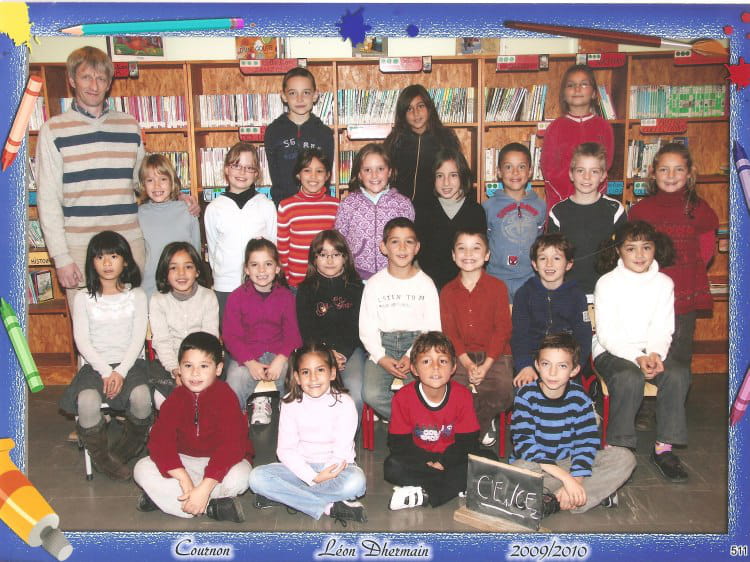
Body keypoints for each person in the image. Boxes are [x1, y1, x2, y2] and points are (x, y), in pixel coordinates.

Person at [36, 47, 146, 296]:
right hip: (79, 251)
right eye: (86, 77)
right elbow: (48, 200)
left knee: (134, 318)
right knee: (86, 322)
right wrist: (61, 257)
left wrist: (178, 197)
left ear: (109, 83)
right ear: (72, 80)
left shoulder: (130, 126)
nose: (94, 86)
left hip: (128, 246)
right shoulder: (53, 131)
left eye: (101, 78)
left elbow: (144, 182)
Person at [593, 221, 692, 483]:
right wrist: (637, 357)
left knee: (678, 374)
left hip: (651, 350)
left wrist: (656, 354)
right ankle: (619, 447)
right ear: (618, 251)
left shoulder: (664, 283)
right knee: (629, 377)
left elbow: (663, 326)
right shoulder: (607, 283)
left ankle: (664, 448)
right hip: (612, 350)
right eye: (631, 248)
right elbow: (608, 333)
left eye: (646, 247)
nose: (639, 255)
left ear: (655, 249)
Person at [59, 231, 152, 481]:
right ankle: (103, 460)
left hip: (130, 364)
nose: (107, 263)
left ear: (125, 261)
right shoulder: (83, 298)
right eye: (100, 257)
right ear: (92, 262)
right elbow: (82, 341)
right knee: (87, 400)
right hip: (95, 365)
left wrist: (120, 372)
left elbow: (137, 339)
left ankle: (119, 454)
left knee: (142, 397)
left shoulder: (137, 295)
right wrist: (106, 371)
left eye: (114, 256)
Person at [510, 333, 636, 515]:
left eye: (562, 366)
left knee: (625, 458)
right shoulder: (525, 395)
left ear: (575, 370)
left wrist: (575, 480)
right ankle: (584, 494)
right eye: (546, 364)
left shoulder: (580, 398)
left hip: (569, 462)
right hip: (538, 465)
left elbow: (586, 444)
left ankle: (554, 499)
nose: (553, 372)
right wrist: (567, 480)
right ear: (537, 365)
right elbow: (525, 446)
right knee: (518, 470)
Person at [133, 332, 252, 522]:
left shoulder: (226, 397)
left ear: (218, 369)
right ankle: (211, 507)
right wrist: (183, 478)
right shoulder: (175, 398)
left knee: (242, 476)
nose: (195, 373)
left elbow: (232, 446)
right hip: (184, 463)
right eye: (188, 366)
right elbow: (160, 441)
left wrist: (205, 486)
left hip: (218, 466)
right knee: (141, 469)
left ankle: (171, 500)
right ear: (179, 368)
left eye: (204, 366)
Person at [248, 342, 367, 524]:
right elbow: (286, 450)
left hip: (335, 470)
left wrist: (323, 476)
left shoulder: (345, 404)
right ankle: (327, 506)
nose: (313, 378)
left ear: (332, 373)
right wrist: (312, 477)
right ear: (297, 377)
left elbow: (342, 452)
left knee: (356, 482)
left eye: (320, 370)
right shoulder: (289, 403)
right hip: (300, 469)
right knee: (256, 478)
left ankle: (285, 496)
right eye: (305, 372)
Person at [629, 142, 719, 368]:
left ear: (689, 173)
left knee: (679, 352)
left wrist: (686, 268)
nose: (671, 176)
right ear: (653, 173)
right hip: (649, 293)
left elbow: (707, 250)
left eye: (678, 169)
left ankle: (678, 389)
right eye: (664, 169)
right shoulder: (640, 210)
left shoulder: (698, 209)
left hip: (684, 291)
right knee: (648, 350)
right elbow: (632, 251)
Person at [384, 331, 479, 510]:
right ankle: (457, 485)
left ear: (453, 367)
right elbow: (399, 443)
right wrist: (426, 462)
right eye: (426, 361)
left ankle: (424, 494)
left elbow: (468, 441)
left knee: (486, 460)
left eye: (442, 361)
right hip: (420, 458)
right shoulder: (402, 398)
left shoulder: (463, 396)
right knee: (392, 466)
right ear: (414, 369)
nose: (435, 367)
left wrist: (443, 462)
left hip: (451, 457)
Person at [359, 217, 441, 420]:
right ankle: (410, 423)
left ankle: (413, 424)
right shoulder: (374, 284)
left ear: (417, 247)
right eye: (395, 241)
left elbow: (433, 328)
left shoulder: (426, 284)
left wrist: (411, 354)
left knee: (421, 393)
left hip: (418, 344)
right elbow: (367, 327)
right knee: (371, 394)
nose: (402, 248)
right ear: (383, 247)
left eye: (409, 242)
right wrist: (381, 357)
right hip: (382, 344)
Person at [440, 228, 513, 447]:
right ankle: (471, 429)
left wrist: (486, 365)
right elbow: (450, 333)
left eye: (476, 248)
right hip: (460, 354)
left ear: (487, 255)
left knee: (503, 389)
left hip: (495, 353)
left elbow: (502, 330)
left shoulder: (498, 287)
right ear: (453, 255)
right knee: (451, 388)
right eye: (462, 249)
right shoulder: (447, 291)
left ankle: (478, 426)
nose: (468, 254)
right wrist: (468, 363)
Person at [223, 238, 301, 425]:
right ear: (246, 269)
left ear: (277, 268)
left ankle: (290, 418)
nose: (262, 270)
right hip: (247, 356)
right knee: (234, 381)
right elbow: (231, 337)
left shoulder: (287, 297)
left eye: (268, 264)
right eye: (254, 265)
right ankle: (236, 424)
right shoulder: (236, 298)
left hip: (279, 354)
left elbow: (294, 335)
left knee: (291, 376)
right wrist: (250, 363)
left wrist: (280, 360)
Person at [204, 142, 277, 326]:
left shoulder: (266, 205)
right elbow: (213, 250)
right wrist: (221, 276)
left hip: (259, 285)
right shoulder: (214, 208)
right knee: (231, 336)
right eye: (236, 165)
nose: (242, 172)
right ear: (226, 169)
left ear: (257, 173)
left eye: (249, 167)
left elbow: (273, 246)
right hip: (225, 287)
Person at [296, 230, 365, 418]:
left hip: (350, 351)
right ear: (314, 258)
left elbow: (358, 327)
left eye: (336, 254)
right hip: (316, 351)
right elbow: (306, 329)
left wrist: (341, 353)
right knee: (311, 390)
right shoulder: (305, 290)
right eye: (323, 254)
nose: (329, 260)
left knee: (355, 391)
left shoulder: (357, 288)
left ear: (345, 258)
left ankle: (348, 435)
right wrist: (326, 353)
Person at [512, 233, 592, 388]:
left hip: (566, 360)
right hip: (533, 360)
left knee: (571, 396)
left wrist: (576, 365)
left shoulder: (576, 295)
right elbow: (520, 335)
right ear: (534, 264)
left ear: (568, 264)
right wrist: (524, 365)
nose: (549, 264)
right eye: (543, 258)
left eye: (556, 258)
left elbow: (583, 335)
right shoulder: (525, 293)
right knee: (525, 393)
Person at [547, 142, 627, 297]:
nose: (586, 177)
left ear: (603, 175)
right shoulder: (558, 212)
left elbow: (624, 253)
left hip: (607, 293)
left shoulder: (615, 210)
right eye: (580, 170)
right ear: (571, 174)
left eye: (594, 171)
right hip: (568, 293)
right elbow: (553, 256)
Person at [148, 242, 219, 409]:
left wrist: (193, 370)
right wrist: (177, 370)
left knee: (209, 400)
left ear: (197, 271)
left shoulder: (208, 297)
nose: (181, 273)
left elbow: (210, 339)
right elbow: (162, 342)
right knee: (164, 401)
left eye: (188, 267)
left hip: (202, 365)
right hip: (169, 365)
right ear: (165, 273)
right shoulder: (158, 300)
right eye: (173, 268)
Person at [540, 64, 614, 212]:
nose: (577, 89)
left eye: (584, 84)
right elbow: (548, 170)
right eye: (571, 85)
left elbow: (606, 164)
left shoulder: (604, 127)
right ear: (564, 94)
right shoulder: (555, 128)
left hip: (594, 201)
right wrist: (564, 201)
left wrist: (593, 197)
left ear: (594, 93)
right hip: (562, 202)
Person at [335, 143, 414, 280]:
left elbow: (410, 240)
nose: (374, 175)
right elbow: (339, 241)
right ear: (359, 174)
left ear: (390, 171)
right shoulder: (348, 204)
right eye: (367, 170)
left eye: (380, 169)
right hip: (358, 278)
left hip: (393, 276)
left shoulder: (403, 205)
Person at [414, 148, 486, 291]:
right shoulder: (423, 211)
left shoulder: (475, 211)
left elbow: (480, 254)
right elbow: (417, 255)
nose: (446, 182)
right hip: (429, 287)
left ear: (462, 176)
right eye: (440, 175)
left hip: (467, 286)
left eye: (453, 175)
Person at [483, 142, 546, 301]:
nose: (515, 172)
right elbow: (484, 242)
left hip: (530, 277)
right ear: (499, 172)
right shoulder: (488, 207)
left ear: (530, 171)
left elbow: (542, 242)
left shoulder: (540, 206)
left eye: (521, 167)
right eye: (508, 167)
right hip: (496, 277)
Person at [265, 67, 334, 206]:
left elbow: (326, 174)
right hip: (285, 206)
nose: (299, 99)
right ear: (284, 96)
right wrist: (280, 205)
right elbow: (275, 175)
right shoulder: (273, 131)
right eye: (292, 93)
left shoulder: (324, 133)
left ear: (315, 95)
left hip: (318, 205)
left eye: (306, 92)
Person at [384, 85, 461, 207]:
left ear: (429, 108)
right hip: (401, 207)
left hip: (437, 208)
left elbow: (458, 174)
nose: (416, 113)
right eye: (409, 109)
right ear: (403, 114)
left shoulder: (446, 139)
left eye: (420, 106)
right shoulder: (394, 141)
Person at [137, 154, 201, 298]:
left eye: (163, 179)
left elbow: (195, 252)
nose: (157, 185)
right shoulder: (139, 214)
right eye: (150, 180)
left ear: (172, 181)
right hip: (149, 288)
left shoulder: (188, 210)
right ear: (143, 184)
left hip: (182, 287)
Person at [277, 148, 339, 288]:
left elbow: (340, 246)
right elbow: (282, 248)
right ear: (298, 174)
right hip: (297, 283)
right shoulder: (286, 206)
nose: (313, 176)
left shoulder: (336, 206)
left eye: (319, 171)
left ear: (327, 175)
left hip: (328, 281)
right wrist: (287, 277)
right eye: (307, 170)